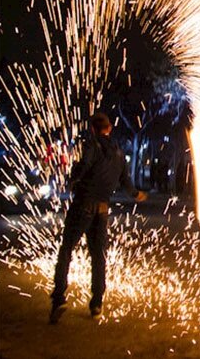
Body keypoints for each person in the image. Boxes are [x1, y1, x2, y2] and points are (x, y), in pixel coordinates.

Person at [49, 112, 147, 324]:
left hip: (83, 206)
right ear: (109, 129)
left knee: (67, 249)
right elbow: (126, 183)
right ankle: (97, 303)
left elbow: (84, 166)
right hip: (102, 210)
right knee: (98, 256)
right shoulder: (119, 153)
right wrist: (136, 194)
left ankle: (59, 297)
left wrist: (73, 179)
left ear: (93, 129)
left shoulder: (92, 146)